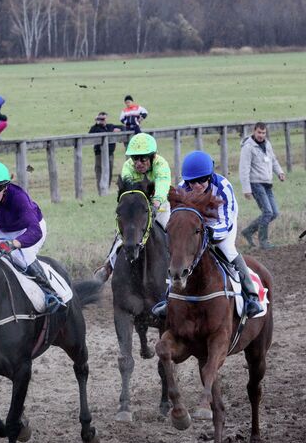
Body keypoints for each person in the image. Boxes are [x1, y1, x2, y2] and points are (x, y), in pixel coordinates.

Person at [153, 150, 262, 318]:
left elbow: (227, 221)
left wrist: (211, 233)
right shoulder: (182, 188)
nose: (197, 185)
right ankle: (167, 300)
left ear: (210, 176)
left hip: (220, 224)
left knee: (228, 249)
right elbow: (179, 216)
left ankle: (251, 297)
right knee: (178, 255)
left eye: (202, 180)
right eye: (192, 181)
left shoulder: (223, 187)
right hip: (196, 225)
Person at [0, 160, 58, 311]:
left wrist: (13, 244)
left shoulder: (19, 197)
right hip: (3, 230)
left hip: (30, 229)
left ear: (6, 186)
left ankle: (50, 292)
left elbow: (35, 231)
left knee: (22, 256)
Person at [93, 133, 171, 283]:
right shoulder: (128, 166)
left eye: (143, 158)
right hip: (137, 208)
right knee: (121, 233)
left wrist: (156, 203)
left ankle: (174, 269)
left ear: (153, 156)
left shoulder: (161, 165)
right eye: (135, 158)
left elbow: (162, 186)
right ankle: (108, 267)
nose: (138, 163)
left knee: (170, 232)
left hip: (160, 206)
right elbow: (127, 192)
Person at [239, 122, 285, 249]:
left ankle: (248, 231)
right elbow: (244, 168)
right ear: (254, 131)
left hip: (267, 183)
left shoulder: (267, 144)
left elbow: (273, 160)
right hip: (256, 183)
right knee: (268, 211)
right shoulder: (248, 147)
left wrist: (280, 172)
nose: (261, 135)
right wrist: (246, 189)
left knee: (274, 213)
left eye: (263, 133)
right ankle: (263, 242)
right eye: (259, 132)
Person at [88, 112, 122, 193]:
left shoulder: (110, 126)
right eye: (100, 119)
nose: (102, 121)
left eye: (103, 119)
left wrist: (118, 130)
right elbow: (90, 135)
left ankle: (106, 189)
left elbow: (123, 127)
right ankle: (101, 190)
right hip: (99, 154)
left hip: (110, 153)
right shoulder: (95, 128)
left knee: (109, 171)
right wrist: (97, 124)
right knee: (99, 171)